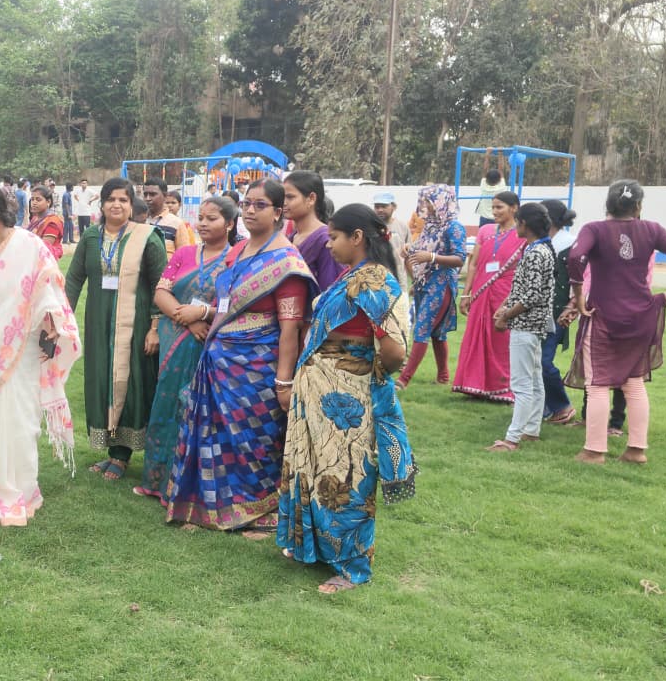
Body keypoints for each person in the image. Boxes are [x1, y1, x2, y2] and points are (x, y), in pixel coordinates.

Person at [276, 203, 414, 594]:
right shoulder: (354, 275)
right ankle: (319, 549)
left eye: (335, 237)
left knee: (348, 472)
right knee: (317, 466)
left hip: (347, 396)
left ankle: (353, 565)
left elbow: (394, 349)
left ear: (357, 238)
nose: (330, 244)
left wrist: (368, 378)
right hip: (321, 392)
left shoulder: (372, 280)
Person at [166, 179, 315, 532]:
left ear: (279, 212)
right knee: (215, 436)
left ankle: (259, 512)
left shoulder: (287, 263)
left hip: (257, 366)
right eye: (247, 204)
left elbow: (291, 329)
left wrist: (283, 381)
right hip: (218, 361)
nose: (249, 210)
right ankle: (211, 508)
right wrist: (203, 316)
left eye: (259, 205)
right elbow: (224, 304)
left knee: (254, 440)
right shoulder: (237, 252)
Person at [0, 180, 81, 525]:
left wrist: (52, 322)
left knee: (20, 419)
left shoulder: (28, 245)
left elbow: (49, 288)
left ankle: (19, 490)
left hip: (19, 346)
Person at [565, 180, 666, 465]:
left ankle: (594, 451)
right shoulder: (652, 229)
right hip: (641, 315)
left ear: (607, 204)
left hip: (604, 316)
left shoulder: (594, 229)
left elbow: (575, 256)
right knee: (633, 383)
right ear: (638, 206)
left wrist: (578, 296)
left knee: (597, 383)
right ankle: (636, 450)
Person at [135, 195, 238, 502]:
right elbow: (161, 292)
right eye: (201, 218)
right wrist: (188, 318)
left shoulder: (237, 259)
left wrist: (204, 314)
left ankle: (183, 485)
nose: (204, 224)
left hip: (210, 343)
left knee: (195, 409)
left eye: (213, 219)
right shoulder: (184, 253)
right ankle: (155, 480)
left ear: (230, 224)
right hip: (176, 335)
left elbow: (234, 302)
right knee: (165, 403)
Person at [66, 178, 167, 481]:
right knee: (101, 382)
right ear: (102, 203)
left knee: (132, 383)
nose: (116, 205)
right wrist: (62, 319)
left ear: (131, 204)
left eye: (123, 200)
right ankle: (112, 450)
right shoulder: (90, 237)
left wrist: (155, 328)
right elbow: (73, 280)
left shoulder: (148, 237)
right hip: (98, 325)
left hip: (135, 327)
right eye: (111, 199)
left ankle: (123, 455)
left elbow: (161, 284)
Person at [486, 203, 556, 452]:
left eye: (517, 222)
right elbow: (523, 289)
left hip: (526, 326)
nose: (515, 226)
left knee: (522, 385)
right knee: (535, 381)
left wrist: (506, 315)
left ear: (524, 224)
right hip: (533, 326)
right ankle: (531, 430)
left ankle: (512, 439)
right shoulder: (539, 249)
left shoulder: (537, 253)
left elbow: (532, 295)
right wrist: (504, 307)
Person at [453, 190, 526, 401]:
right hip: (481, 291)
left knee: (501, 339)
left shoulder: (521, 234)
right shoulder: (485, 231)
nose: (494, 212)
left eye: (499, 207)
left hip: (505, 292)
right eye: (493, 207)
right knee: (477, 337)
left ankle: (503, 387)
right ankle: (474, 384)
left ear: (514, 208)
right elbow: (474, 263)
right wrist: (466, 294)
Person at [396, 185, 466, 387]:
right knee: (437, 333)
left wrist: (432, 257)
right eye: (425, 200)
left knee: (422, 328)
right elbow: (420, 250)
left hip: (441, 282)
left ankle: (403, 379)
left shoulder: (454, 227)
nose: (426, 205)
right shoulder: (430, 226)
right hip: (423, 283)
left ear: (442, 201)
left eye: (430, 201)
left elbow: (460, 259)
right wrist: (410, 249)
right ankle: (443, 376)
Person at [540, 200, 578, 424]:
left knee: (544, 362)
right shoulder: (540, 243)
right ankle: (545, 406)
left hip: (557, 314)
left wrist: (571, 307)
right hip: (536, 313)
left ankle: (562, 406)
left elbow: (578, 279)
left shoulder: (571, 245)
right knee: (535, 361)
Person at [284, 170, 343, 288]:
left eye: (290, 197)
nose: (284, 202)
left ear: (311, 198)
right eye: (283, 197)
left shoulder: (325, 240)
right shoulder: (292, 237)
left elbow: (329, 288)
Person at [372, 191, 412, 334]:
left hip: (399, 283)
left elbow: (408, 256)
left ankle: (401, 354)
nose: (380, 210)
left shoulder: (402, 226)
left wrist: (414, 280)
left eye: (384, 206)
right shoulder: (370, 227)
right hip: (376, 283)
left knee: (402, 323)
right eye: (377, 206)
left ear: (394, 207)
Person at [143, 178, 198, 255]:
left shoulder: (176, 223)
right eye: (145, 194)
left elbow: (184, 256)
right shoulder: (140, 220)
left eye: (152, 194)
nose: (148, 199)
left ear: (165, 196)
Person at [26, 184, 64, 259]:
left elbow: (43, 249)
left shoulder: (52, 222)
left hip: (45, 263)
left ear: (48, 202)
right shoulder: (35, 218)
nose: (34, 202)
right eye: (32, 199)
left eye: (38, 199)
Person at [477, 148, 509, 228]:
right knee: (498, 238)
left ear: (486, 179)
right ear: (499, 180)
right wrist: (500, 153)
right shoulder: (500, 187)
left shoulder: (484, 185)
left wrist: (487, 154)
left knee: (484, 238)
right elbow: (501, 169)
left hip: (484, 218)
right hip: (497, 217)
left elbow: (485, 170)